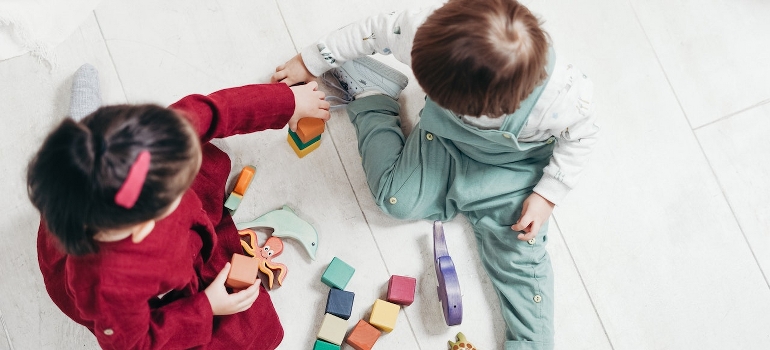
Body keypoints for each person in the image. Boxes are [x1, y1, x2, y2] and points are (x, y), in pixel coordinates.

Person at [271, 0, 598, 349]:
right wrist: (311, 60)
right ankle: (373, 92)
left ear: (506, 104)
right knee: (394, 200)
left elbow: (582, 136)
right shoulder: (425, 28)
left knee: (520, 259)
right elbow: (371, 31)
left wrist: (547, 195)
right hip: (443, 142)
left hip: (512, 174)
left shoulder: (562, 95)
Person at [29, 64, 330, 349]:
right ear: (144, 224)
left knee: (205, 154)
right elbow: (135, 344)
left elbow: (214, 110)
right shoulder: (110, 287)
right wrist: (206, 307)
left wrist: (288, 101)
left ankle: (82, 124)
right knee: (243, 332)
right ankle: (81, 126)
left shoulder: (152, 143)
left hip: (98, 194)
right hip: (144, 285)